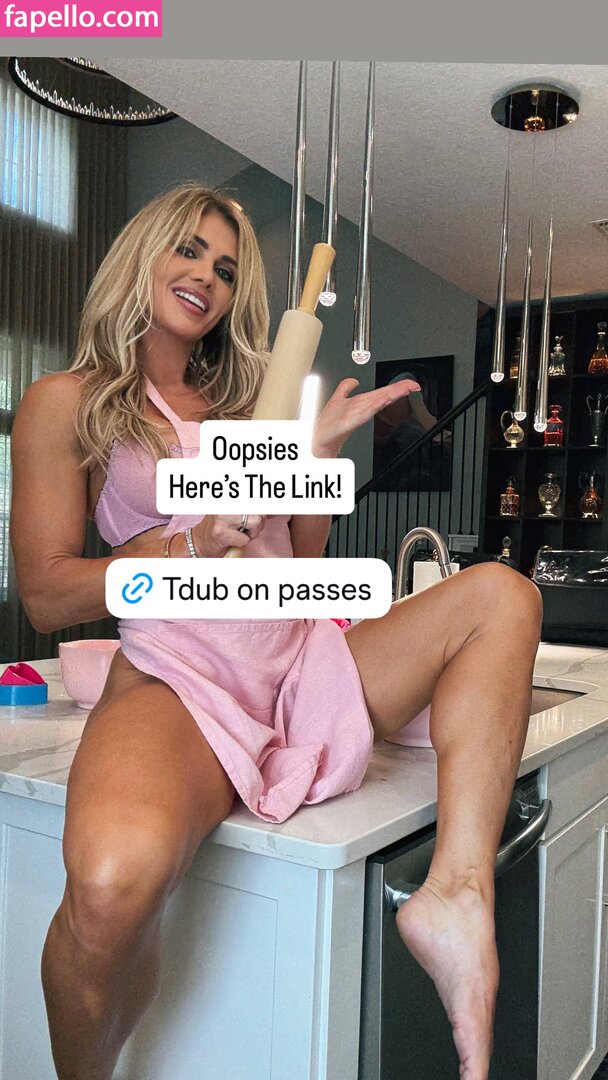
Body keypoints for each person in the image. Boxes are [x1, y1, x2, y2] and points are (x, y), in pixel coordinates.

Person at [10, 182, 542, 1080]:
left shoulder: (254, 401)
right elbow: (46, 593)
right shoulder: (67, 401)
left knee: (503, 596)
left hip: (303, 659)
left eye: (225, 269)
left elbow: (298, 551)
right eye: (188, 250)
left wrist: (313, 460)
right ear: (141, 253)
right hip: (180, 675)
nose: (206, 277)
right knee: (107, 888)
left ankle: (456, 895)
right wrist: (185, 543)